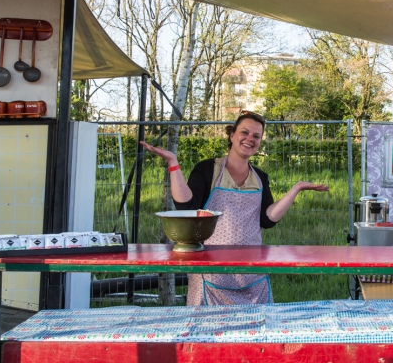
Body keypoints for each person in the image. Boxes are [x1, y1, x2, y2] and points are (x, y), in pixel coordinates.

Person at [140, 110, 329, 306]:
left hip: (252, 276)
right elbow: (187, 205)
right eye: (244, 132)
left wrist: (296, 188)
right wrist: (173, 163)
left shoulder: (260, 177)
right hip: (211, 276)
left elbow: (268, 219)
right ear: (232, 135)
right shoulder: (208, 169)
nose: (250, 139)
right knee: (207, 335)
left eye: (256, 136)